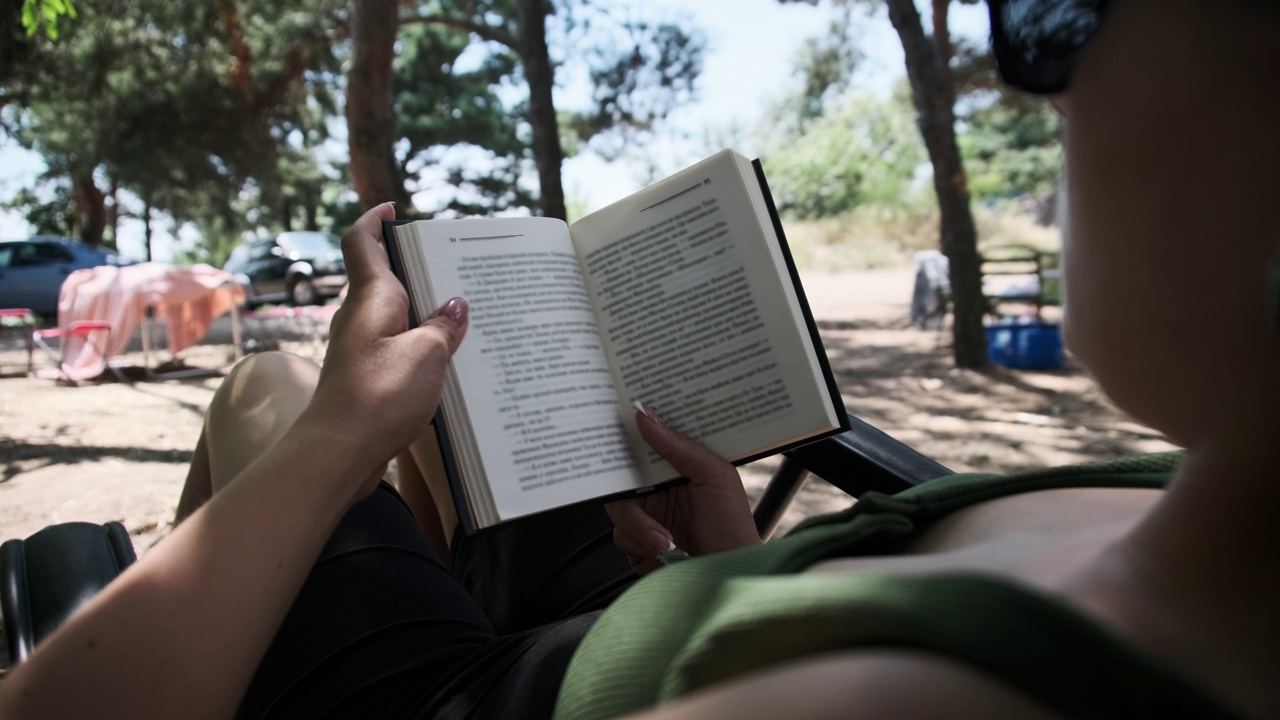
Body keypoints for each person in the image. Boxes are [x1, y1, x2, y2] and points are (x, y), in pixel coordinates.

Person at [1, 0, 1277, 716]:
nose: (1033, 92)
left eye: (1055, 17)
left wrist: (342, 432)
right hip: (649, 600)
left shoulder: (908, 692)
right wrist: (734, 564)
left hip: (476, 697)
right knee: (436, 448)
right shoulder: (1179, 506)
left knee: (273, 388)